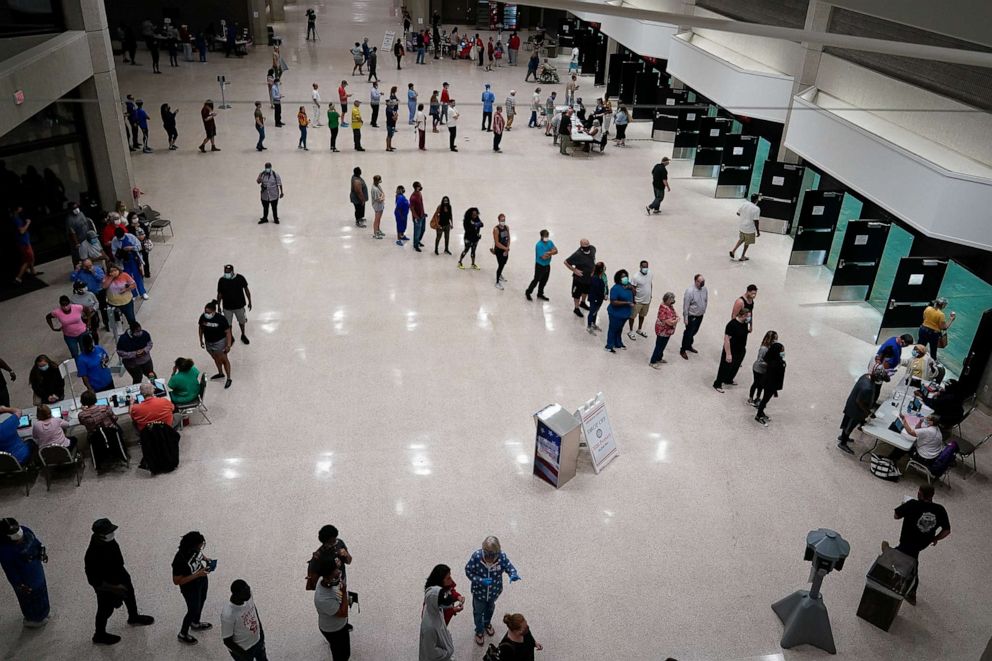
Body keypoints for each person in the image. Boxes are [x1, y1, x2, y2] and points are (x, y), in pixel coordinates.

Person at [85, 518, 154, 645]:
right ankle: (99, 634)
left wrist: (123, 578)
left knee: (130, 596)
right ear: (100, 535)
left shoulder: (109, 541)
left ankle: (133, 617)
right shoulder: (92, 555)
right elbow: (94, 581)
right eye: (109, 532)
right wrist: (115, 588)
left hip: (120, 574)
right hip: (106, 586)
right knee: (105, 609)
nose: (112, 534)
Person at [882, 484, 950, 606]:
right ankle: (891, 553)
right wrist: (935, 538)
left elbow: (896, 516)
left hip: (907, 539)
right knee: (912, 556)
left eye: (919, 491)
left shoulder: (912, 504)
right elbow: (947, 530)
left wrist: (904, 506)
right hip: (922, 543)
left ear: (920, 493)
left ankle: (890, 555)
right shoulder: (940, 509)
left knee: (909, 560)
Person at [465, 536, 520, 646]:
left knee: (490, 609)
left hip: (494, 592)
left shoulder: (502, 558)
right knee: (478, 612)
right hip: (479, 593)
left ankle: (487, 623)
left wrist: (513, 574)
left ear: (498, 553)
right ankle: (479, 630)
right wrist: (480, 580)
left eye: (492, 555)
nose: (489, 558)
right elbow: (468, 571)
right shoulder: (476, 557)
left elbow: (509, 567)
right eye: (486, 554)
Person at [0, 518, 50, 628]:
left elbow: (36, 542)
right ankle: (33, 620)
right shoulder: (5, 551)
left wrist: (42, 552)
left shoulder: (25, 530)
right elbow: (10, 572)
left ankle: (44, 612)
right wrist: (20, 585)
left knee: (42, 592)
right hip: (26, 580)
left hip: (37, 571)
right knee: (30, 600)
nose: (20, 538)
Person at [172, 531, 214, 645]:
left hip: (201, 580)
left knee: (201, 600)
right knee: (192, 609)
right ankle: (183, 633)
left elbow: (199, 555)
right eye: (200, 545)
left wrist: (206, 559)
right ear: (192, 546)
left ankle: (195, 623)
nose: (201, 547)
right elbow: (176, 581)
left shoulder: (196, 550)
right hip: (190, 587)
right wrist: (197, 575)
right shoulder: (180, 560)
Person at [837, 366, 889, 454]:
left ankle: (843, 437)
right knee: (849, 426)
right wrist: (867, 412)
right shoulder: (867, 388)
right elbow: (859, 401)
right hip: (855, 410)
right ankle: (843, 443)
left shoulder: (866, 375)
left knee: (847, 423)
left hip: (851, 404)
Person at [314, 556, 350, 660]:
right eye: (335, 572)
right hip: (334, 630)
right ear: (327, 577)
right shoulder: (322, 599)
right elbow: (343, 613)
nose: (339, 572)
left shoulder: (324, 580)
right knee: (343, 656)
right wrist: (344, 593)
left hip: (339, 625)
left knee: (339, 650)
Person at [221, 580, 267, 660]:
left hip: (258, 641)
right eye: (245, 592)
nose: (249, 593)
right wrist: (244, 655)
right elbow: (227, 641)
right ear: (237, 595)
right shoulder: (228, 614)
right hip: (244, 649)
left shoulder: (248, 596)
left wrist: (261, 633)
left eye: (248, 589)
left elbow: (254, 611)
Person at [713, 307, 750, 392]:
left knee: (735, 366)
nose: (749, 318)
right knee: (725, 367)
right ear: (743, 315)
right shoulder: (732, 324)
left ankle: (728, 380)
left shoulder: (745, 323)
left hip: (741, 349)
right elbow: (726, 340)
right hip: (731, 349)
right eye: (748, 316)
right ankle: (717, 383)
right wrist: (728, 353)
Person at [198, 301, 233, 389]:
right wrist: (201, 340)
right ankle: (220, 373)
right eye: (205, 312)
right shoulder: (203, 317)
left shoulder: (221, 319)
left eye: (209, 312)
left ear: (214, 311)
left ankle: (229, 378)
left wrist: (228, 345)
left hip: (220, 342)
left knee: (224, 359)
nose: (206, 314)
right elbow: (201, 328)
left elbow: (228, 332)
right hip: (209, 342)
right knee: (215, 358)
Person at [420, 577, 456, 661]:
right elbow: (432, 652)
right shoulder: (429, 627)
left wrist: (448, 638)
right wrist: (447, 652)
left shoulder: (434, 609)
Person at [217, 265, 252, 345]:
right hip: (227, 307)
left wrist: (250, 301)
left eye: (228, 272)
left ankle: (243, 334)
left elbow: (246, 290)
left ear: (232, 271)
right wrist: (218, 306)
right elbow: (219, 294)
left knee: (242, 321)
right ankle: (231, 337)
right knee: (228, 324)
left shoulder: (240, 278)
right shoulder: (222, 280)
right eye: (225, 272)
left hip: (239, 306)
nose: (226, 274)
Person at [754, 342, 786, 425]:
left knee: (765, 399)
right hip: (770, 384)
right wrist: (775, 389)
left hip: (770, 383)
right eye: (782, 350)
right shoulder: (776, 363)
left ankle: (761, 412)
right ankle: (758, 415)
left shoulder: (773, 360)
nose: (783, 352)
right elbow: (774, 377)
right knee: (765, 400)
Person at [111, 225, 147, 300]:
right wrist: (120, 253)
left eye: (121, 237)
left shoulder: (130, 237)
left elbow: (139, 246)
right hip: (123, 262)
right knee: (128, 278)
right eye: (118, 237)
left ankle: (142, 292)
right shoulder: (114, 240)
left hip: (133, 259)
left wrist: (131, 248)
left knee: (137, 276)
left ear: (124, 234)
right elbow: (114, 252)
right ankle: (133, 294)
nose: (119, 239)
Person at [564, 239, 596, 317]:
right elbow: (566, 262)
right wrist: (574, 270)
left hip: (589, 277)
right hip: (579, 279)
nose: (587, 246)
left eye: (587, 244)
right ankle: (576, 308)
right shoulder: (577, 255)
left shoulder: (593, 249)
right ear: (581, 246)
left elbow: (593, 259)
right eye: (584, 245)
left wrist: (593, 269)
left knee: (586, 291)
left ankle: (583, 302)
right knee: (577, 294)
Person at [605, 270, 634, 353]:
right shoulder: (615, 288)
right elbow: (613, 302)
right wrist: (627, 303)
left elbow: (634, 293)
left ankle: (618, 343)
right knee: (613, 329)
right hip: (616, 314)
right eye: (622, 277)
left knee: (619, 329)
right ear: (618, 278)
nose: (625, 278)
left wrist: (632, 288)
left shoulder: (628, 285)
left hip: (625, 314)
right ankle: (609, 346)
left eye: (626, 276)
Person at [748, 331, 779, 406]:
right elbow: (760, 360)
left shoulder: (771, 347)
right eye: (775, 338)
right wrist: (769, 364)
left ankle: (758, 397)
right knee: (756, 383)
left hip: (765, 370)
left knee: (761, 385)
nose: (776, 340)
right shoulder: (764, 348)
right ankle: (750, 398)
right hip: (758, 369)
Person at [525, 230, 557, 301]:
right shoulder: (538, 245)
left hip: (547, 265)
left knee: (544, 281)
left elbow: (556, 251)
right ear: (541, 236)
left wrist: (549, 253)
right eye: (545, 236)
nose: (546, 238)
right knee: (536, 280)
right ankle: (528, 292)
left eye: (547, 236)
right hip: (540, 266)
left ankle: (540, 293)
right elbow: (544, 257)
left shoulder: (550, 242)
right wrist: (551, 252)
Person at [649, 292, 679, 367]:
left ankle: (659, 358)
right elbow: (669, 322)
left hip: (668, 331)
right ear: (667, 299)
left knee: (663, 345)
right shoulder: (663, 308)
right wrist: (676, 320)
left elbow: (676, 314)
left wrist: (675, 319)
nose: (673, 301)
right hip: (662, 331)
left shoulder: (670, 306)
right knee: (659, 346)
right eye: (671, 299)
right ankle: (652, 361)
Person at [12, 205, 41, 284]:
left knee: (31, 257)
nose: (21, 209)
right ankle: (18, 277)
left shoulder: (17, 218)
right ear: (16, 209)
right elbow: (21, 231)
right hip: (23, 242)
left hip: (25, 241)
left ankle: (33, 272)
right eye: (20, 207)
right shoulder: (16, 219)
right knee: (28, 259)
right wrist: (28, 223)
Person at [730, 194, 761, 260]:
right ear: (756, 200)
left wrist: (745, 215)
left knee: (741, 239)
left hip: (742, 227)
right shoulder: (756, 209)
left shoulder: (745, 204)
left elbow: (738, 213)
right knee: (747, 243)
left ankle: (733, 251)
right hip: (749, 229)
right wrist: (758, 231)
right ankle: (742, 256)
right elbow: (756, 221)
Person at [628, 260, 652, 340]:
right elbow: (632, 288)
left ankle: (639, 329)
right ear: (640, 267)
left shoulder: (650, 273)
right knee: (632, 316)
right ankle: (631, 331)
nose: (645, 268)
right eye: (643, 267)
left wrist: (650, 295)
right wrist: (633, 299)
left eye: (646, 267)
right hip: (637, 301)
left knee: (642, 315)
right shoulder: (636, 277)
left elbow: (650, 284)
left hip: (647, 300)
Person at [585, 262, 608, 334]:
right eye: (604, 267)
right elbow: (596, 290)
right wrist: (603, 296)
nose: (605, 268)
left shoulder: (603, 276)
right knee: (592, 312)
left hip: (600, 298)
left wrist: (606, 293)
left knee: (596, 311)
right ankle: (589, 326)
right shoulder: (595, 278)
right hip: (595, 298)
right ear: (601, 269)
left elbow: (606, 285)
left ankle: (593, 324)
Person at [492, 213, 511, 289]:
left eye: (504, 220)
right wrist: (505, 248)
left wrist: (507, 247)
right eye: (501, 220)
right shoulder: (496, 229)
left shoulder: (507, 227)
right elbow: (497, 243)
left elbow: (509, 238)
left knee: (504, 263)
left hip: (505, 250)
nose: (503, 221)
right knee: (500, 265)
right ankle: (497, 282)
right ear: (498, 220)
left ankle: (500, 275)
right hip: (499, 250)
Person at [410, 181, 428, 252]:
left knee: (423, 230)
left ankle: (418, 241)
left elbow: (421, 205)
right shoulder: (413, 197)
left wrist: (423, 213)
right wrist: (416, 217)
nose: (420, 187)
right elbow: (411, 208)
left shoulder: (419, 193)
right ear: (416, 187)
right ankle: (416, 245)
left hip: (422, 216)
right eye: (419, 186)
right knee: (417, 232)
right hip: (417, 218)